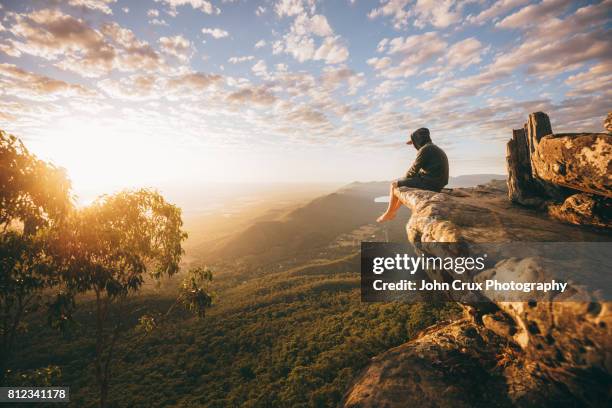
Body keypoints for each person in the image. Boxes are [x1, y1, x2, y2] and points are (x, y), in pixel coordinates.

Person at [377, 127, 449, 223]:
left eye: (414, 142)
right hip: (438, 182)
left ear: (419, 140)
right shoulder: (433, 147)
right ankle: (393, 211)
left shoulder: (425, 150)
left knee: (394, 184)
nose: (413, 145)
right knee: (405, 183)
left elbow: (413, 170)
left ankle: (389, 212)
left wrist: (404, 179)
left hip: (431, 183)